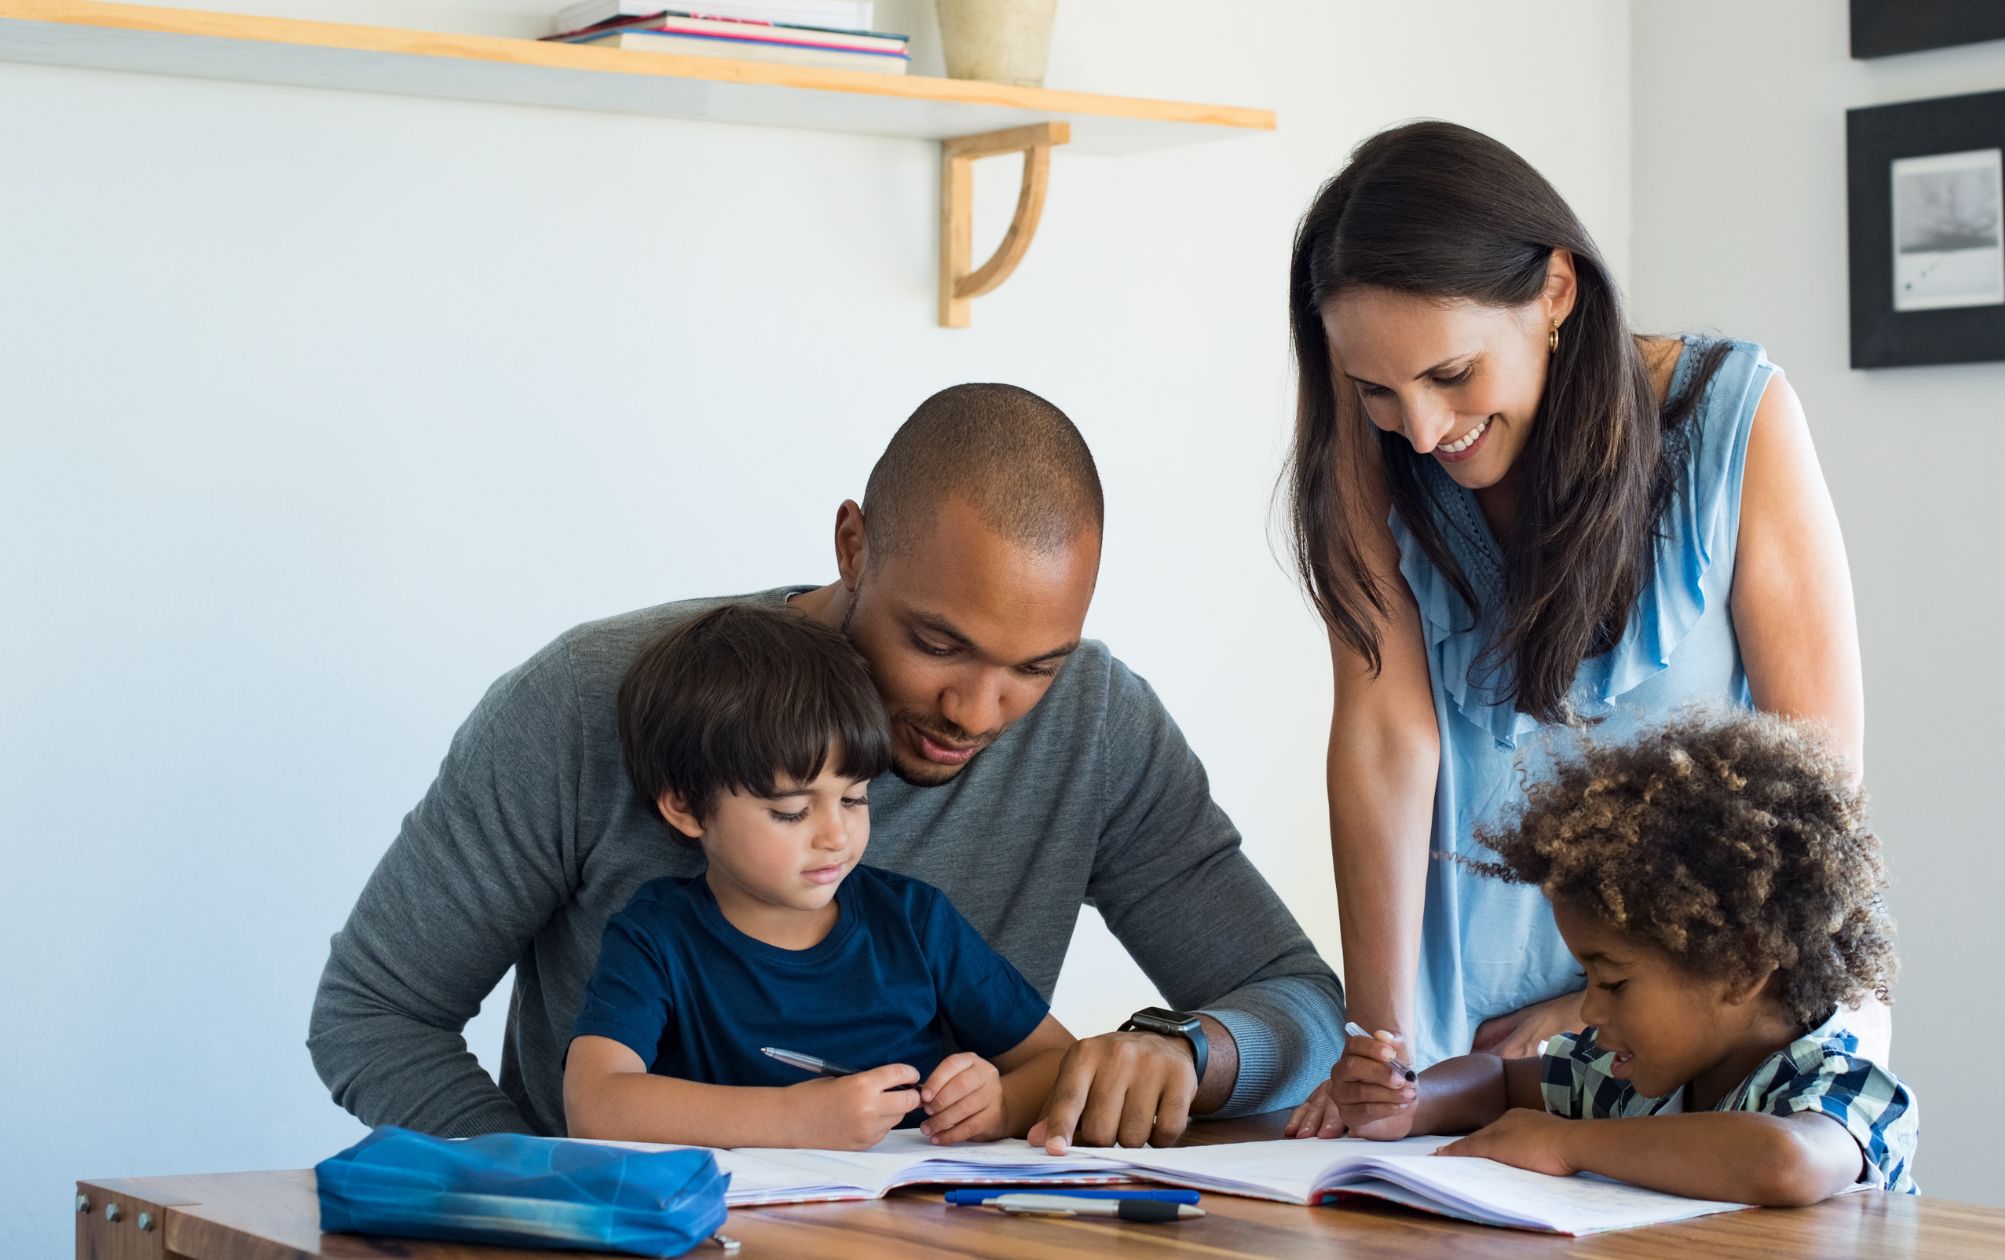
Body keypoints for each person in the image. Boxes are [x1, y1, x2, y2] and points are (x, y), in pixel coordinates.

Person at [310, 383, 1342, 1148]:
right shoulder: (589, 700)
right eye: (937, 645)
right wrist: (553, 1199)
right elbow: (373, 1016)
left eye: (1033, 666)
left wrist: (1188, 1051)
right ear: (853, 543)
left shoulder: (1096, 724)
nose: (977, 713)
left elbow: (1296, 1001)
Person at [1278, 121, 1877, 1136]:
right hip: (1460, 1050)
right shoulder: (1371, 459)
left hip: (1704, 1032)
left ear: (1554, 291)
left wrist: (1598, 1005)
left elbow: (1811, 786)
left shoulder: (1736, 418)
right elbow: (1385, 742)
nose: (1421, 430)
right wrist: (1378, 1049)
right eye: (1376, 390)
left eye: (1450, 375)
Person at [1327, 711, 1917, 1204]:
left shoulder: (1842, 1082)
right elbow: (1500, 1082)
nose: (1588, 1009)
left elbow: (1785, 1162)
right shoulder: (1633, 1076)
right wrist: (1410, 1102)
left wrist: (1565, 1144)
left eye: (1612, 983)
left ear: (1741, 968)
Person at [563, 605, 1074, 1151]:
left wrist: (1000, 1105)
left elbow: (1060, 1060)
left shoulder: (914, 921)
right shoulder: (656, 938)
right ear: (687, 808)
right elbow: (596, 1104)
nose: (835, 836)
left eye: (854, 798)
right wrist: (791, 1118)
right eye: (791, 810)